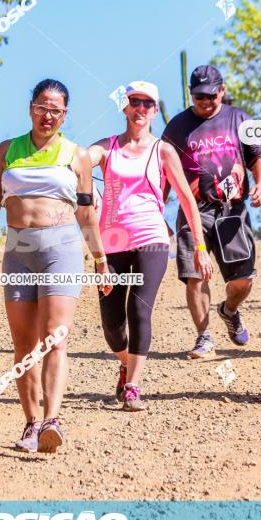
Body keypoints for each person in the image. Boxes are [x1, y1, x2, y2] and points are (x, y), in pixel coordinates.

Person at [0, 79, 111, 453]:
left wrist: (100, 259)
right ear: (30, 108)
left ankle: (53, 420)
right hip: (18, 250)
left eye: (55, 110)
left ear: (65, 114)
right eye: (42, 107)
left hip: (62, 249)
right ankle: (31, 424)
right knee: (24, 345)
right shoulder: (7, 150)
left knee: (56, 336)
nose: (47, 115)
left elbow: (86, 211)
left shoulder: (77, 155)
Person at [88, 81, 212, 411]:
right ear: (125, 107)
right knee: (112, 325)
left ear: (155, 111)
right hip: (111, 242)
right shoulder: (107, 147)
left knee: (139, 310)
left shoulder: (164, 151)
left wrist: (199, 248)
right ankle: (126, 362)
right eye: (134, 102)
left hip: (151, 239)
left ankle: (133, 385)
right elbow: (83, 159)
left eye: (147, 104)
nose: (140, 108)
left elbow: (187, 199)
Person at [162, 65, 261, 359]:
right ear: (190, 93)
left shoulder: (239, 119)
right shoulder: (176, 127)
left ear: (222, 90)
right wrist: (157, 210)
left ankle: (229, 310)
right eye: (199, 96)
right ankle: (204, 337)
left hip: (232, 211)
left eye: (211, 95)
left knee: (243, 279)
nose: (206, 101)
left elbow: (257, 158)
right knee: (196, 274)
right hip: (192, 210)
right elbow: (163, 172)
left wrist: (260, 185)